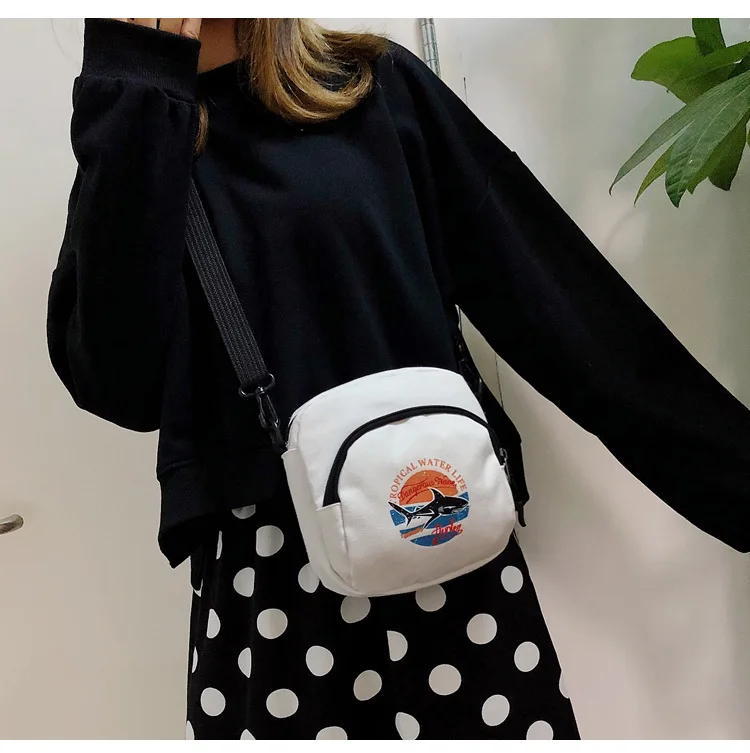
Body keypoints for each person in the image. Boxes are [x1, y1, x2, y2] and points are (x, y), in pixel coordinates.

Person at [47, 18, 750, 741]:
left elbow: (565, 309)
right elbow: (119, 385)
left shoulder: (370, 85)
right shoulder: (134, 129)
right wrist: (135, 89)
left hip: (440, 539)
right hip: (272, 590)